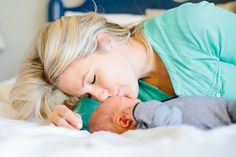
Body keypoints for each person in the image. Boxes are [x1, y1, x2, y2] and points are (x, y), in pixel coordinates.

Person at [10, 1, 236, 130]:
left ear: (106, 41)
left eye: (92, 80)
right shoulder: (108, 104)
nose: (99, 97)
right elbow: (83, 120)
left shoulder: (193, 24)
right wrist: (58, 118)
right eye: (87, 94)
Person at [88, 96, 236, 134]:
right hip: (225, 116)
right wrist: (138, 109)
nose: (133, 97)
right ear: (123, 120)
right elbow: (171, 120)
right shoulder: (147, 127)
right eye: (126, 100)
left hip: (225, 109)